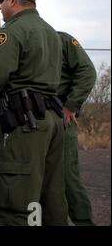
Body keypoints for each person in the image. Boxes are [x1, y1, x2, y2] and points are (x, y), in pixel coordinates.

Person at [0, 0, 68, 225]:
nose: (0, 6)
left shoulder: (11, 30)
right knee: (51, 196)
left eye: (2, 0)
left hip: (25, 123)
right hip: (52, 120)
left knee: (15, 201)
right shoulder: (51, 33)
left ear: (13, 0)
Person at [58, 31, 97, 225]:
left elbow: (87, 72)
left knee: (67, 178)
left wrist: (70, 105)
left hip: (61, 120)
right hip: (37, 121)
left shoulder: (61, 39)